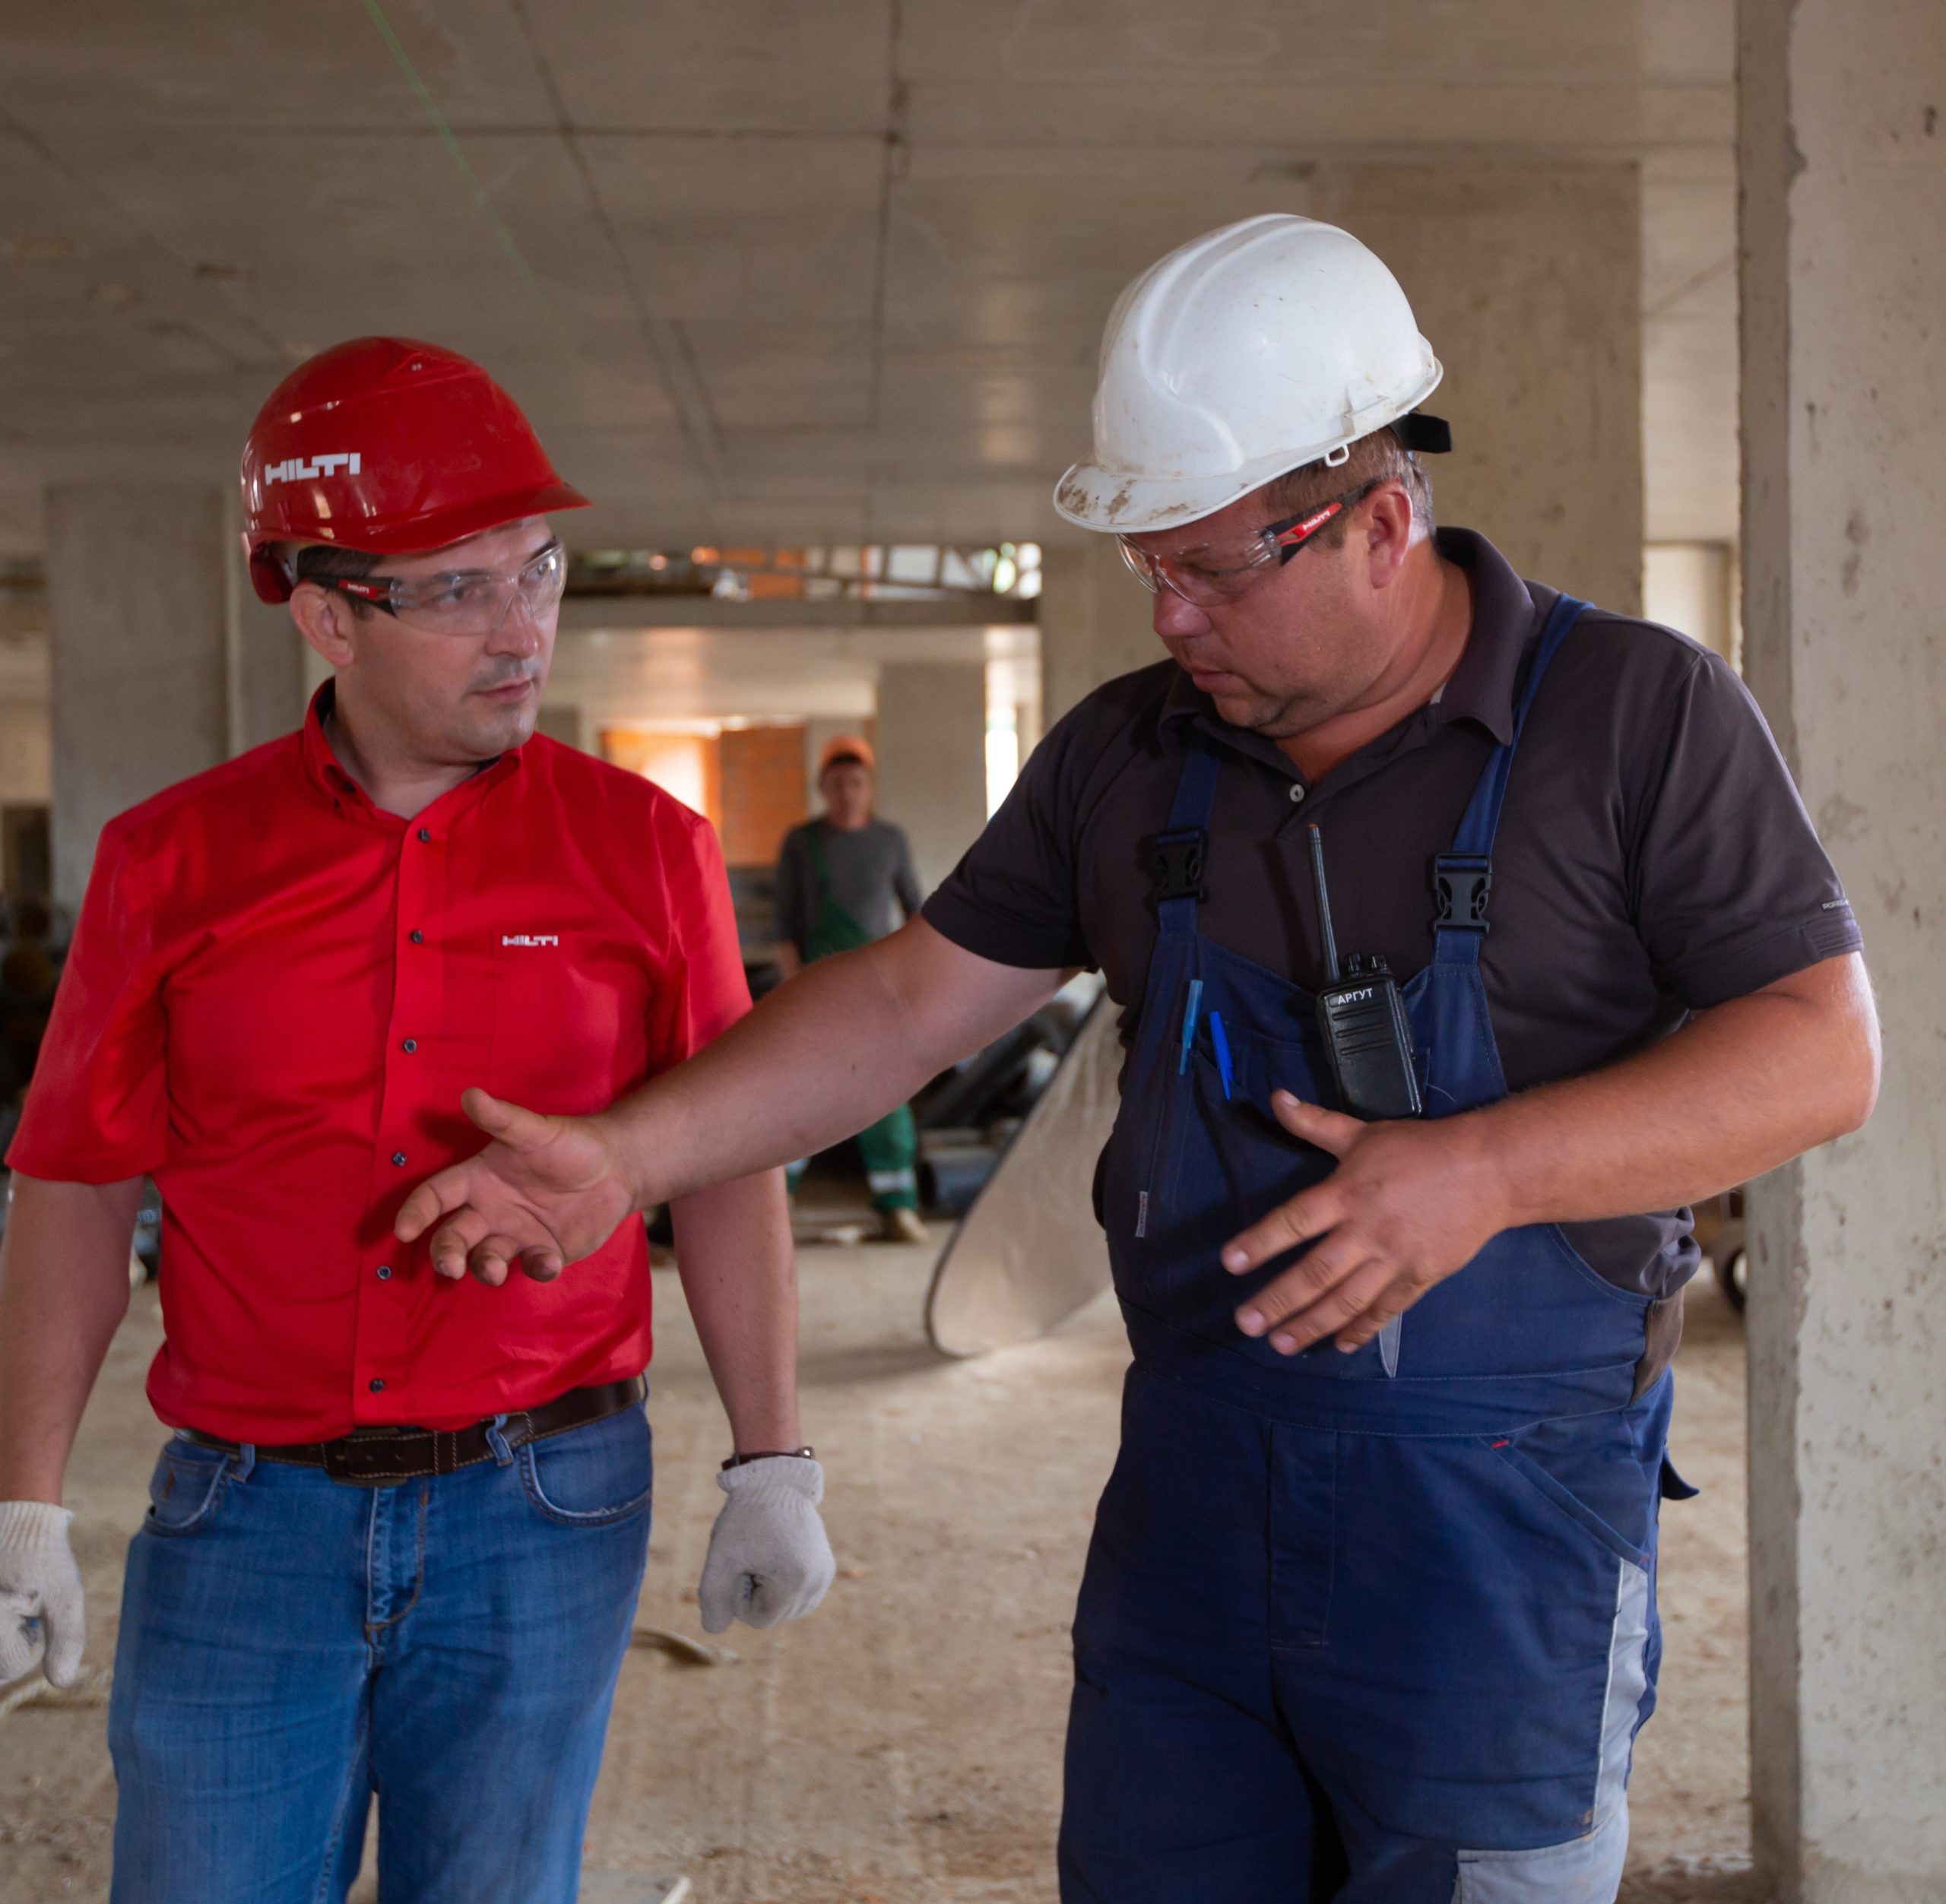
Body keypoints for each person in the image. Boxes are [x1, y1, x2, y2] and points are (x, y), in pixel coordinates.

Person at [393, 217, 1880, 1902]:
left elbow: (1818, 1051)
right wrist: (630, 1157)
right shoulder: (1125, 754)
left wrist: (1487, 1168)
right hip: (1191, 1495)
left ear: (1379, 522)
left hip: (1495, 1522)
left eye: (1212, 569)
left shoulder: (1632, 715)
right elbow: (899, 1006)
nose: (1168, 614)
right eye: (1145, 566)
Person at [0, 337, 834, 1903]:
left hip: (544, 1502)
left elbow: (727, 1166)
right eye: (456, 590)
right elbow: (76, 1186)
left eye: (535, 570)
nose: (520, 628)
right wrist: (22, 1503)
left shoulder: (646, 852)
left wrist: (771, 1458)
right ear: (324, 610)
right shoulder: (169, 863)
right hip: (245, 1512)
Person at [772, 735, 927, 1242]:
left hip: (878, 988)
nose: (847, 792)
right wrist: (794, 989)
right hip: (817, 985)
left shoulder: (891, 841)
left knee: (885, 1093)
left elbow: (917, 912)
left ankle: (896, 1205)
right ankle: (775, 1204)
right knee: (799, 1091)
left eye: (856, 783)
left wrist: (914, 980)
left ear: (870, 788)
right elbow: (785, 925)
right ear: (823, 788)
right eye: (837, 784)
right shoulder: (802, 842)